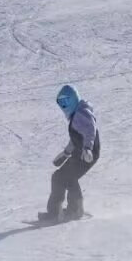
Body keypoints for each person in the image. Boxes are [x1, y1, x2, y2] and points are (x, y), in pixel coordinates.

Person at [38, 84, 100, 223]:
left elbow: (90, 129)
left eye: (66, 101)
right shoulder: (76, 115)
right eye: (61, 103)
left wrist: (87, 148)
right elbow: (76, 137)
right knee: (64, 177)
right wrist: (65, 154)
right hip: (81, 153)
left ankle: (59, 213)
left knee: (62, 177)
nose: (64, 106)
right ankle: (74, 209)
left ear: (73, 99)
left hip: (86, 154)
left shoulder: (81, 113)